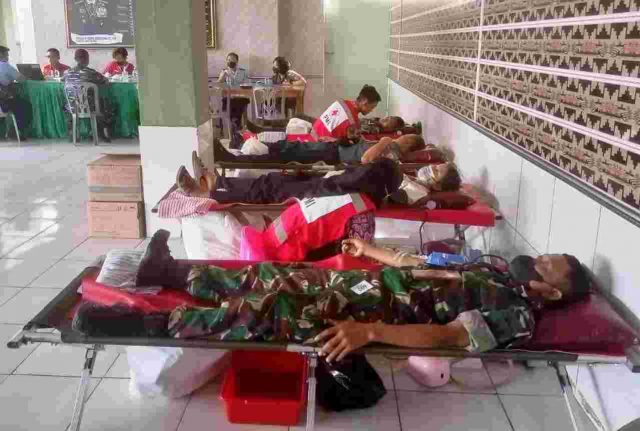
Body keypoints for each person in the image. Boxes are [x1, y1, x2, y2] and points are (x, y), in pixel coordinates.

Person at [125, 229, 591, 363]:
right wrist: (370, 252)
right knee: (275, 273)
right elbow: (420, 265)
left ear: (552, 291)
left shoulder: (518, 315)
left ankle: (150, 324)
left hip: (379, 314)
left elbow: (451, 338)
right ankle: (168, 272)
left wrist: (369, 332)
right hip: (366, 287)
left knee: (272, 310)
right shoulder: (497, 273)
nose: (538, 257)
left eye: (548, 263)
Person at [177, 157, 404, 207]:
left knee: (268, 186)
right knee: (272, 181)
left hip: (311, 196)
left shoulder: (366, 181)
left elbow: (333, 186)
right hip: (314, 188)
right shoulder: (369, 186)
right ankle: (215, 183)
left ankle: (208, 191)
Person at [212, 133, 428, 165]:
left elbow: (366, 159)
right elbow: (361, 146)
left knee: (284, 154)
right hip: (334, 148)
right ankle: (238, 149)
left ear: (409, 145)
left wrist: (383, 141)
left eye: (406, 137)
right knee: (288, 147)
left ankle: (233, 159)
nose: (402, 136)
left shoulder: (393, 153)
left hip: (333, 156)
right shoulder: (389, 145)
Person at [63, 49, 113, 142]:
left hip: (72, 106)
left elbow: (62, 80)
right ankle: (101, 133)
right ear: (87, 59)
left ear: (75, 59)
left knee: (65, 105)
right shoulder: (91, 72)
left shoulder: (67, 72)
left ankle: (72, 134)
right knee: (106, 104)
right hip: (89, 106)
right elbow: (105, 81)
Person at [311, 84, 381, 141]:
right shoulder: (352, 123)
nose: (371, 110)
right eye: (372, 107)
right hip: (318, 145)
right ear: (364, 102)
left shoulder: (341, 102)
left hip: (311, 136)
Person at [217, 52, 250, 128]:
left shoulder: (243, 72)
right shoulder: (224, 72)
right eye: (228, 60)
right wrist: (222, 77)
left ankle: (236, 124)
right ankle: (233, 125)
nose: (230, 62)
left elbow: (247, 86)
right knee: (228, 102)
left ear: (236, 61)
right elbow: (217, 85)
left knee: (241, 101)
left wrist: (239, 93)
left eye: (232, 60)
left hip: (240, 97)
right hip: (228, 97)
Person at [0, 45, 27, 135]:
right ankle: (20, 132)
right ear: (1, 54)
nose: (8, 56)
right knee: (24, 105)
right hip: (3, 103)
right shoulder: (5, 66)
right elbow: (22, 79)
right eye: (6, 54)